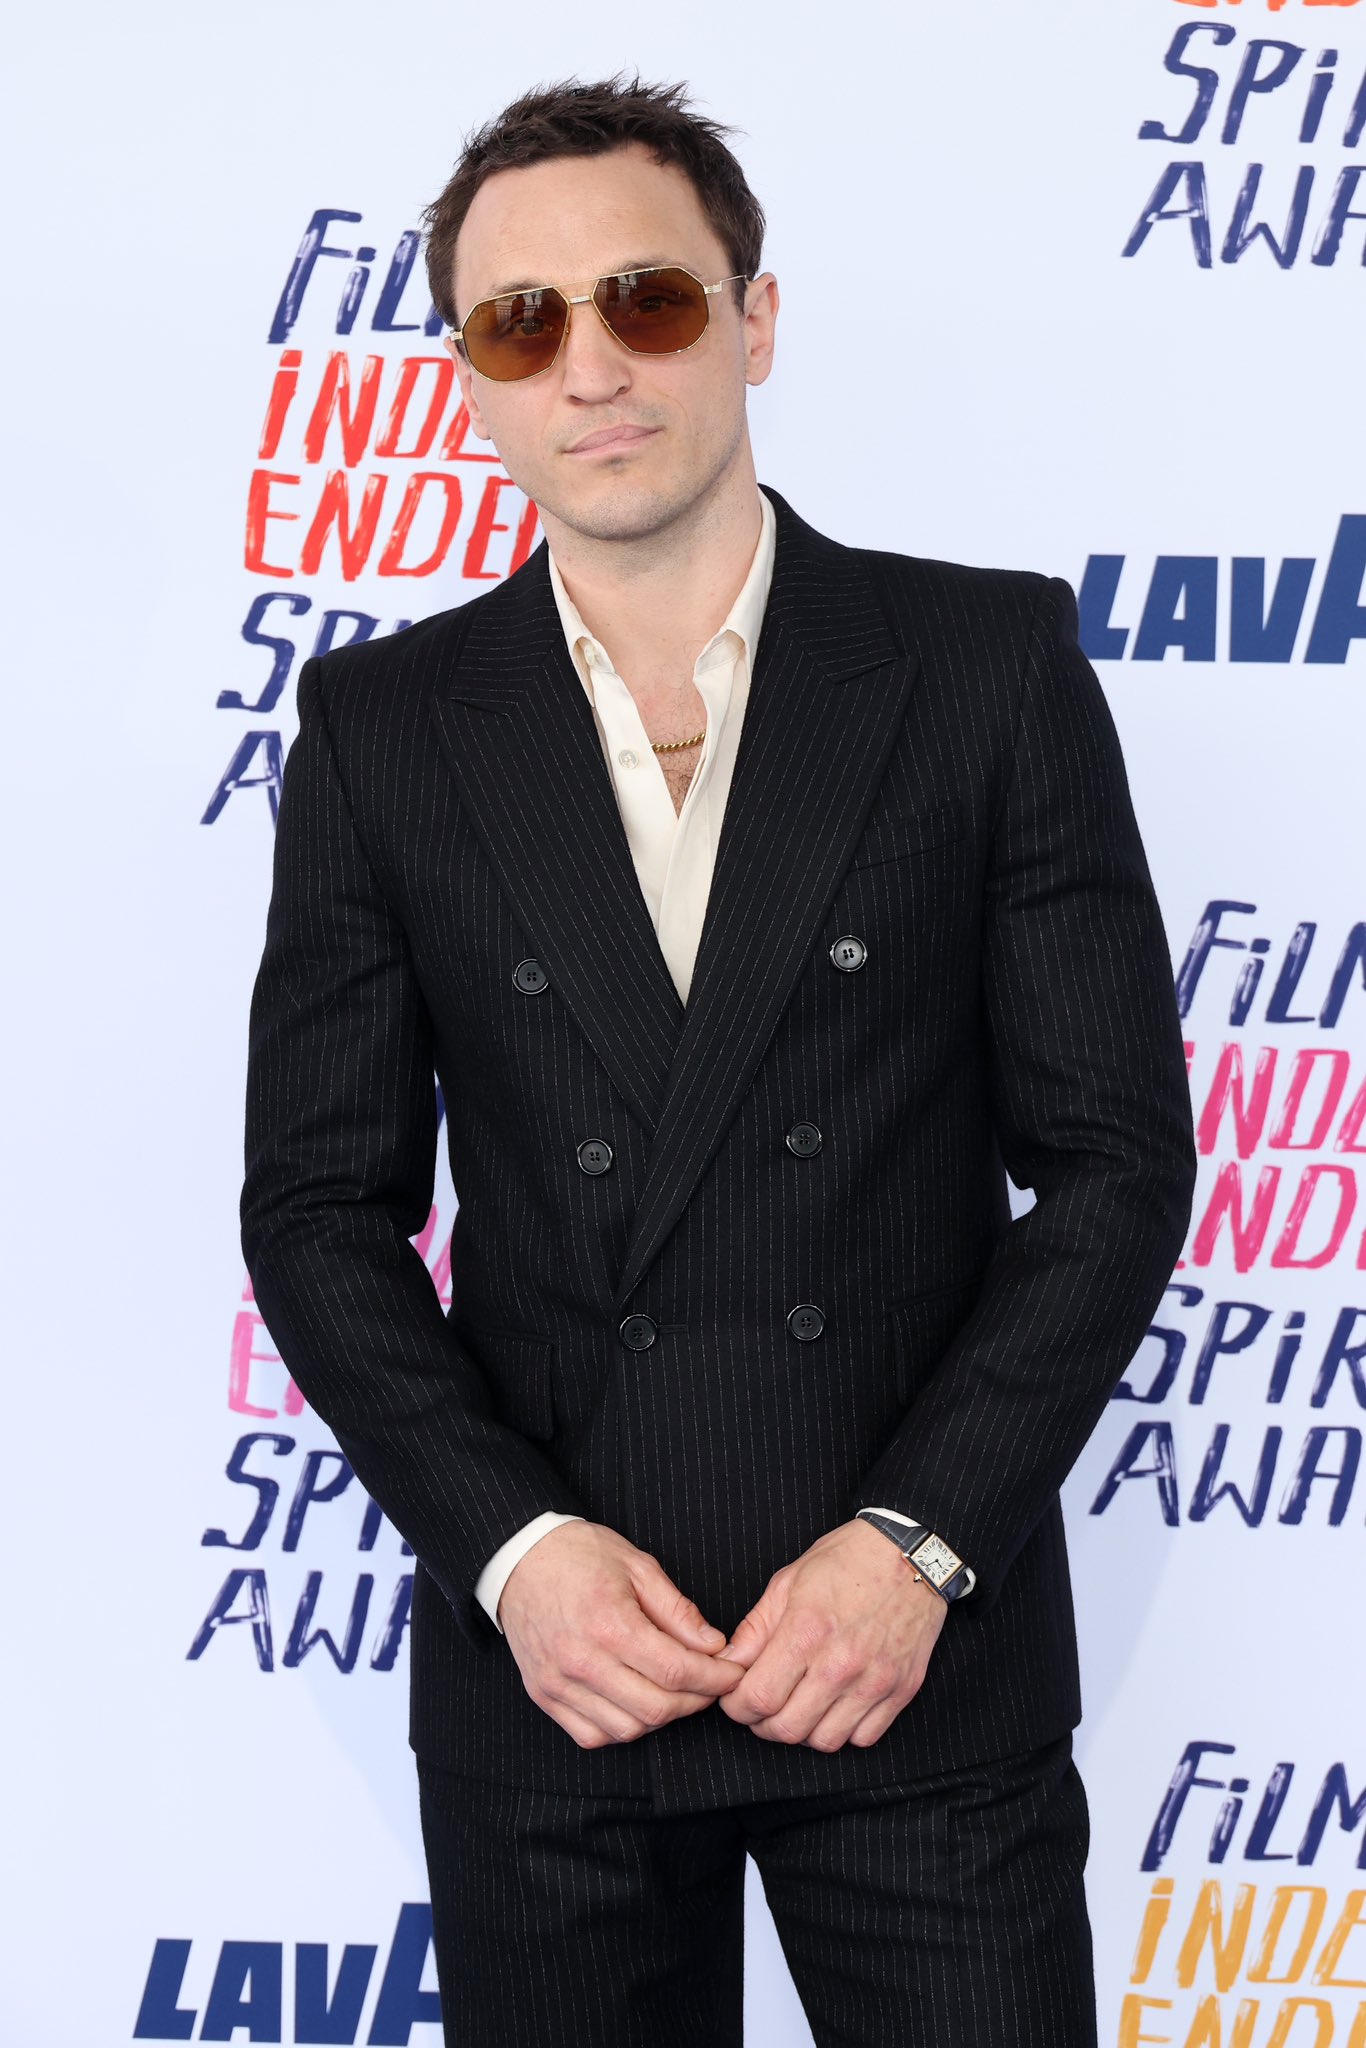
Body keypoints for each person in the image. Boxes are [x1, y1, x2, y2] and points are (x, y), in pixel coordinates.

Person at [240, 72, 1196, 2048]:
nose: (590, 366)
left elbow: (1111, 1160)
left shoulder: (980, 668)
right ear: (470, 380)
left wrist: (915, 1544)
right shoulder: (381, 729)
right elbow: (319, 1209)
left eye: (647, 299)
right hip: (563, 1682)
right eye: (521, 323)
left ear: (751, 321)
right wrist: (513, 1553)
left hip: (909, 1661)